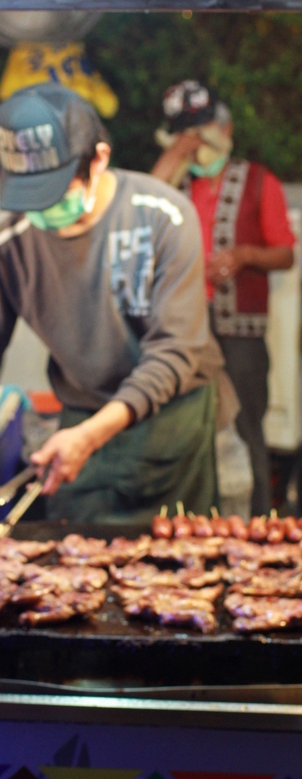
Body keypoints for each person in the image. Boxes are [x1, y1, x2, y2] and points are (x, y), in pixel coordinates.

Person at [0, 82, 233, 525]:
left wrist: (92, 436)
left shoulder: (163, 217)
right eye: (31, 199)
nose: (44, 216)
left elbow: (175, 353)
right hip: (81, 416)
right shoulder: (7, 249)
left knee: (181, 571)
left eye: (55, 196)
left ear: (98, 159)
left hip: (173, 422)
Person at [151, 80, 296, 516]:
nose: (198, 144)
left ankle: (255, 526)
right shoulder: (173, 185)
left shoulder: (257, 181)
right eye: (186, 135)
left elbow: (286, 253)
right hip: (182, 326)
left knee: (246, 426)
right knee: (182, 426)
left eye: (203, 133)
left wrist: (244, 255)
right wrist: (175, 156)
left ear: (224, 129)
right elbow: (139, 213)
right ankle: (188, 523)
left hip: (239, 330)